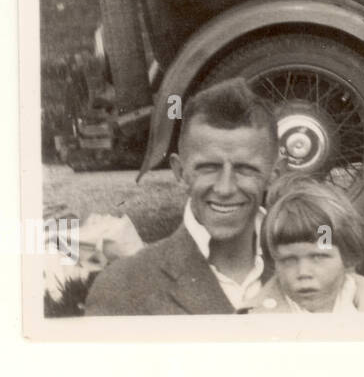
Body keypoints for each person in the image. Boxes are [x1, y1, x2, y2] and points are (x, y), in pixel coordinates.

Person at [85, 78, 283, 315]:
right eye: (208, 167)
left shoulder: (319, 270)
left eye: (245, 169)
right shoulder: (121, 288)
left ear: (274, 174)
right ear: (180, 171)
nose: (225, 188)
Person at [247, 177, 364, 313]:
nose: (303, 273)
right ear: (273, 262)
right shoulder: (257, 323)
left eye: (318, 257)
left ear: (347, 254)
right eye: (288, 260)